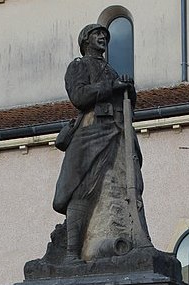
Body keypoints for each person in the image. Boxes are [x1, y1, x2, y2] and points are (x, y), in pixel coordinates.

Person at [53, 23, 151, 262]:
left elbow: (126, 104)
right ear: (85, 40)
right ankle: (71, 254)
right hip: (94, 129)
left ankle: (137, 240)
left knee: (131, 185)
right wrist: (112, 87)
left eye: (104, 35)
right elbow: (79, 97)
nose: (102, 38)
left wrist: (128, 90)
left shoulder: (112, 71)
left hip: (118, 131)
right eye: (97, 34)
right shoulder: (79, 66)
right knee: (83, 185)